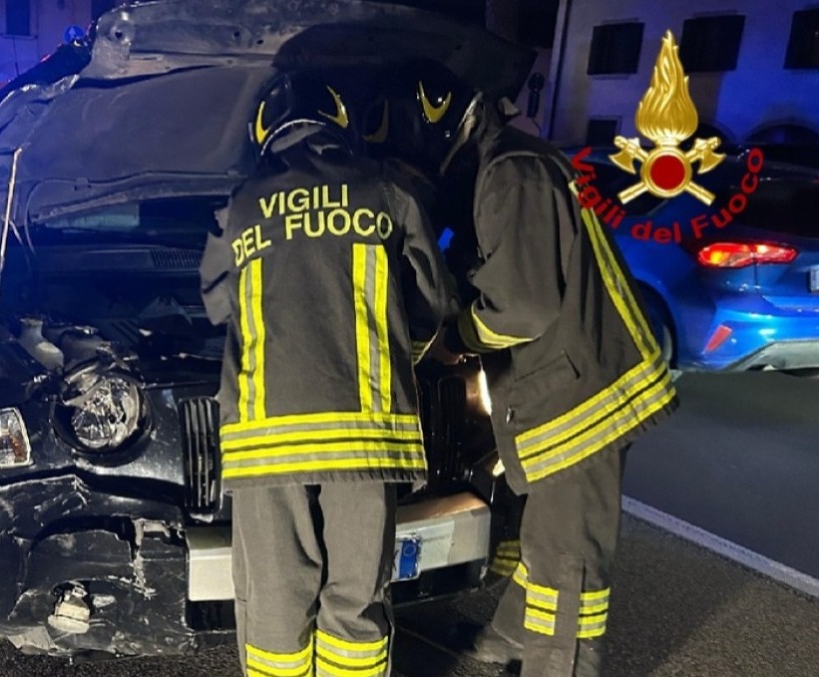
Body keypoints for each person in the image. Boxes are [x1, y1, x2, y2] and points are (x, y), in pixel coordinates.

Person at [403, 61, 680, 676]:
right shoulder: (509, 168)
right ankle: (510, 640)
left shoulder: (512, 174)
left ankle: (560, 664)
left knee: (567, 563)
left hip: (583, 398)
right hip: (572, 386)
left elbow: (522, 306)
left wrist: (457, 337)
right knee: (546, 539)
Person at [200, 71, 455, 677]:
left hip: (268, 442)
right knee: (357, 603)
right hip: (364, 436)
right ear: (341, 125)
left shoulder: (239, 206)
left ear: (265, 134)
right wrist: (400, 350)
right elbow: (434, 302)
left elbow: (216, 306)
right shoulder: (387, 190)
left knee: (275, 599)